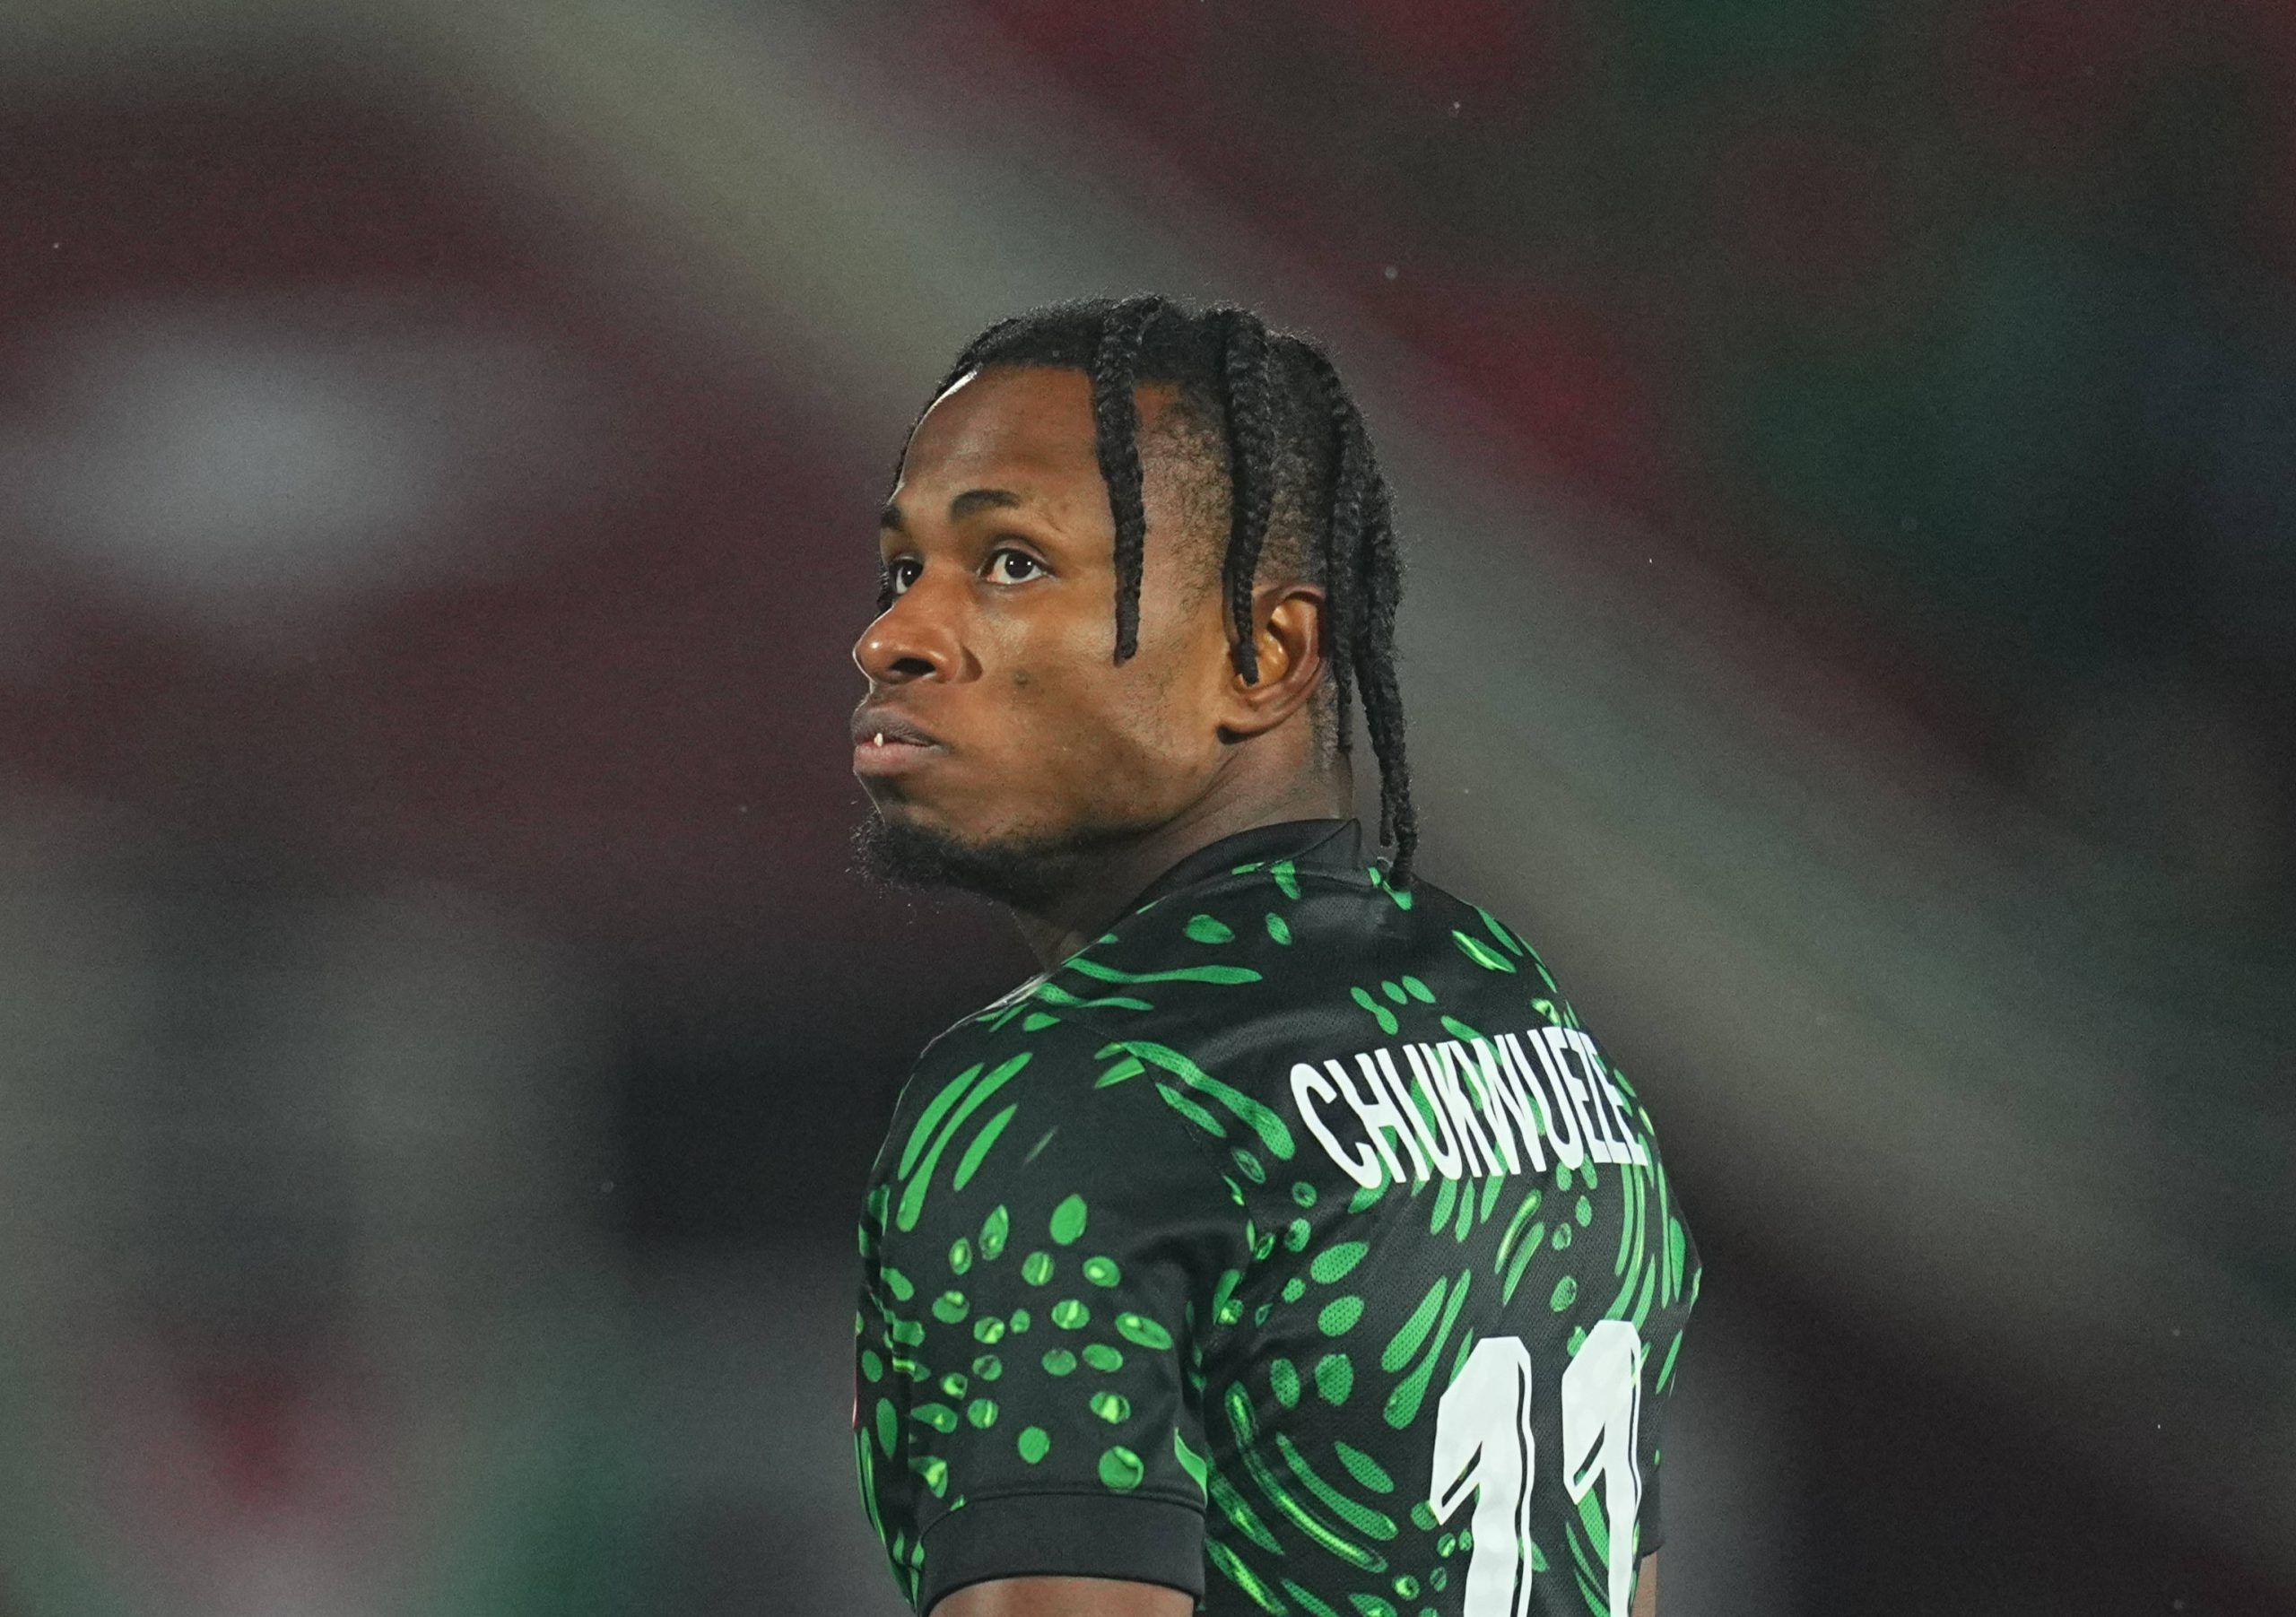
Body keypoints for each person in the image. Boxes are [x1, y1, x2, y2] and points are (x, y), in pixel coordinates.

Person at [848, 295, 1700, 1617]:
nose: (893, 636)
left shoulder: (1070, 1102)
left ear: (1263, 653)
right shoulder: (1519, 1020)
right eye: (906, 570)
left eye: (1012, 563)